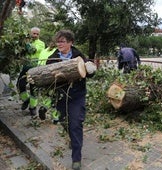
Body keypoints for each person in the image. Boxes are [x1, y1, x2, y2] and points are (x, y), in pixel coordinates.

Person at [46, 30, 97, 170]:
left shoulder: (78, 55)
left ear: (70, 42)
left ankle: (76, 158)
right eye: (58, 41)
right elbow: (46, 77)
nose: (59, 44)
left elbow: (88, 73)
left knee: (75, 124)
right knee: (63, 120)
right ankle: (72, 136)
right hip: (61, 96)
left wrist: (91, 69)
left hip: (77, 95)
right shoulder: (52, 58)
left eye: (62, 41)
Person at [16, 27, 45, 118]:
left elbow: (33, 50)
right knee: (20, 85)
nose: (35, 35)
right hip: (25, 67)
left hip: (35, 68)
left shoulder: (41, 43)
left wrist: (26, 43)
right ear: (30, 33)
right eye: (34, 33)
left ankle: (33, 107)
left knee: (34, 89)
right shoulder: (26, 42)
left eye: (37, 34)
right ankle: (26, 100)